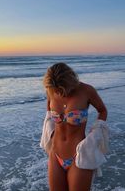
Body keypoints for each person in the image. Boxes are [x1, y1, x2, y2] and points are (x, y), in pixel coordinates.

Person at [40, 62, 108, 191]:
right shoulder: (51, 90)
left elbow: (102, 110)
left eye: (63, 88)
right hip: (55, 154)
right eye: (57, 90)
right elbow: (49, 114)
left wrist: (96, 133)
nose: (60, 92)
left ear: (70, 80)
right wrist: (50, 133)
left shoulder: (87, 91)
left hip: (79, 155)